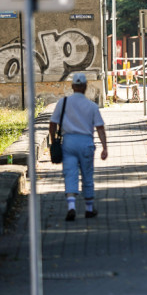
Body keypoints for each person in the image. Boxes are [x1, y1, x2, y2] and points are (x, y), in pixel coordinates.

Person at [49, 72, 108, 221]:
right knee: (87, 175)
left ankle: (71, 207)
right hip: (86, 142)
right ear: (85, 86)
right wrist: (104, 147)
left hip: (68, 142)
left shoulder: (63, 103)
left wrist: (53, 140)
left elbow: (52, 123)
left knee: (70, 174)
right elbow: (100, 127)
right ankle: (89, 209)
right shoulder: (92, 106)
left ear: (73, 86)